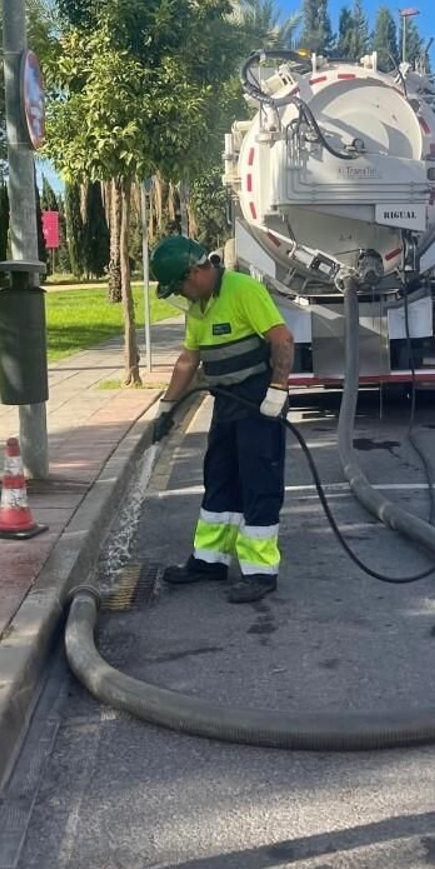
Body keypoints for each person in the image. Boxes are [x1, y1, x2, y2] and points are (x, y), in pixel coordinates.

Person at [149, 235, 295, 603]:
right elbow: (188, 360)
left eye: (180, 286)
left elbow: (282, 340)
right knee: (219, 477)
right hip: (226, 403)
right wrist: (166, 408)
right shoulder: (199, 307)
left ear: (195, 271)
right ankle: (209, 561)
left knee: (258, 481)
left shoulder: (243, 290)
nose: (181, 295)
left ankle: (260, 572)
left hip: (258, 402)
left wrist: (277, 390)